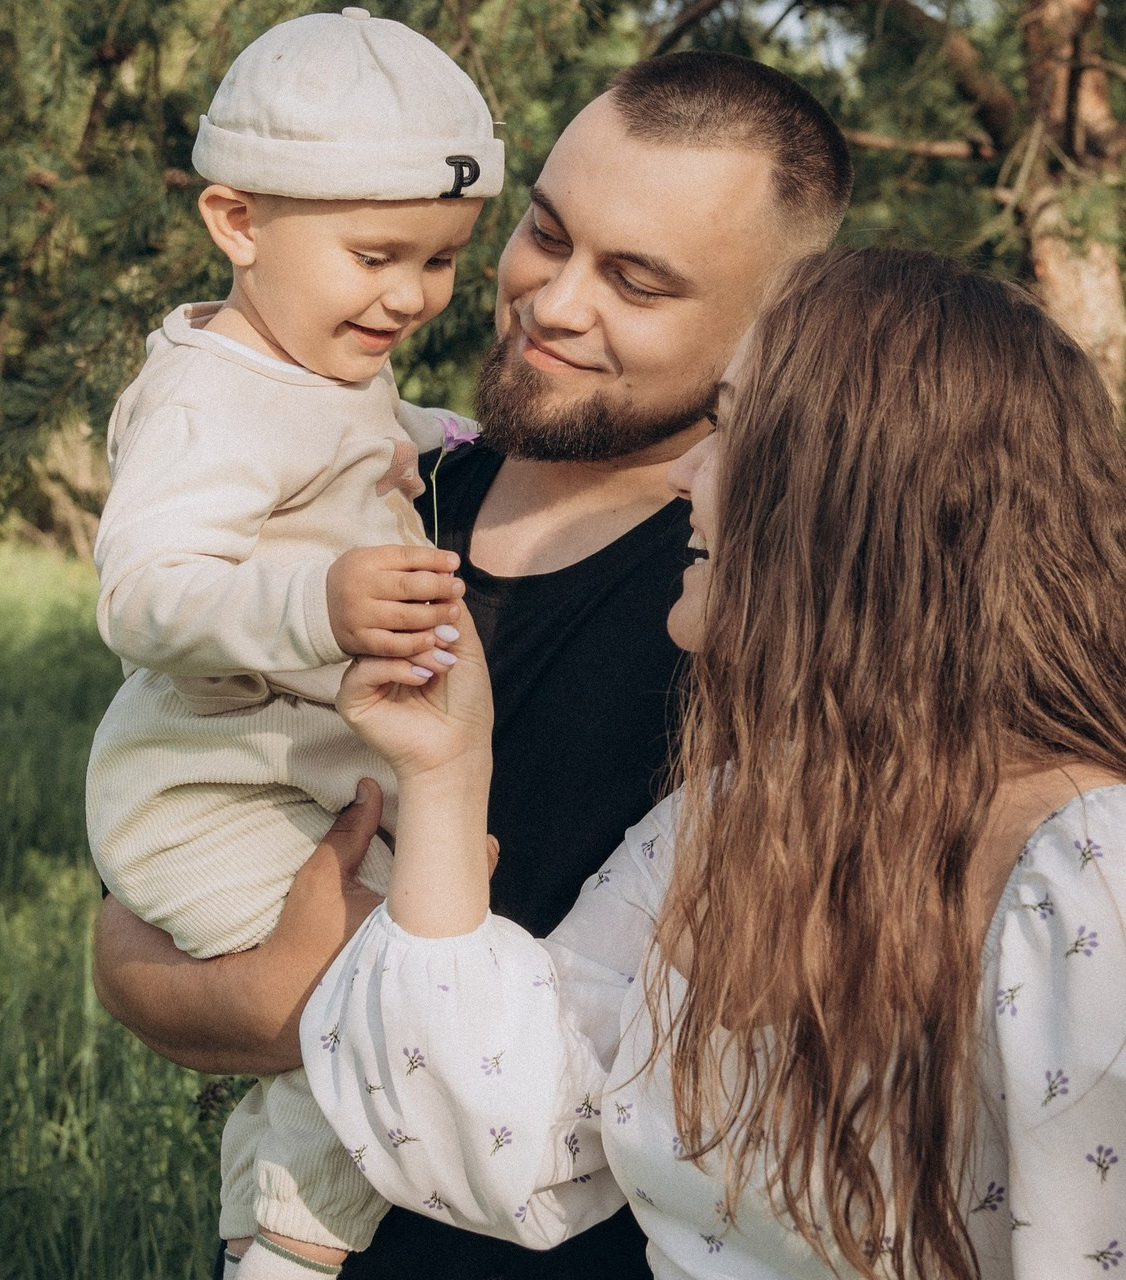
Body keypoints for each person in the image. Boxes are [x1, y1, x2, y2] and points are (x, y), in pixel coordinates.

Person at [91, 52, 853, 1279]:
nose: (549, 303)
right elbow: (138, 917)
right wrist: (252, 996)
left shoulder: (755, 607)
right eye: (544, 236)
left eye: (635, 282)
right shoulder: (372, 496)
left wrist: (313, 996)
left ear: (773, 324)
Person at [310, 245, 1126, 1280]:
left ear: (855, 490)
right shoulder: (733, 810)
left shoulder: (1088, 873)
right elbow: (508, 1141)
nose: (687, 471)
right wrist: (442, 771)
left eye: (730, 428)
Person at [85, 10, 504, 1277]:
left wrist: (444, 433)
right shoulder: (206, 401)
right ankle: (280, 1247)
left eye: (439, 260)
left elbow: (350, 433)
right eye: (379, 253)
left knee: (391, 982)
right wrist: (315, 601)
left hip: (290, 772)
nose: (411, 294)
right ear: (237, 223)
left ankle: (286, 1213)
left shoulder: (313, 351)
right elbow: (143, 592)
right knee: (370, 999)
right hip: (206, 787)